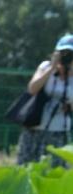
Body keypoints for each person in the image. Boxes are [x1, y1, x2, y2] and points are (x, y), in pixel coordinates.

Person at [17, 34, 73, 168]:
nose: (67, 57)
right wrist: (52, 68)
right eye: (64, 53)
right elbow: (32, 89)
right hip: (35, 127)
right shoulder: (45, 67)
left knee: (54, 171)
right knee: (25, 169)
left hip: (59, 131)